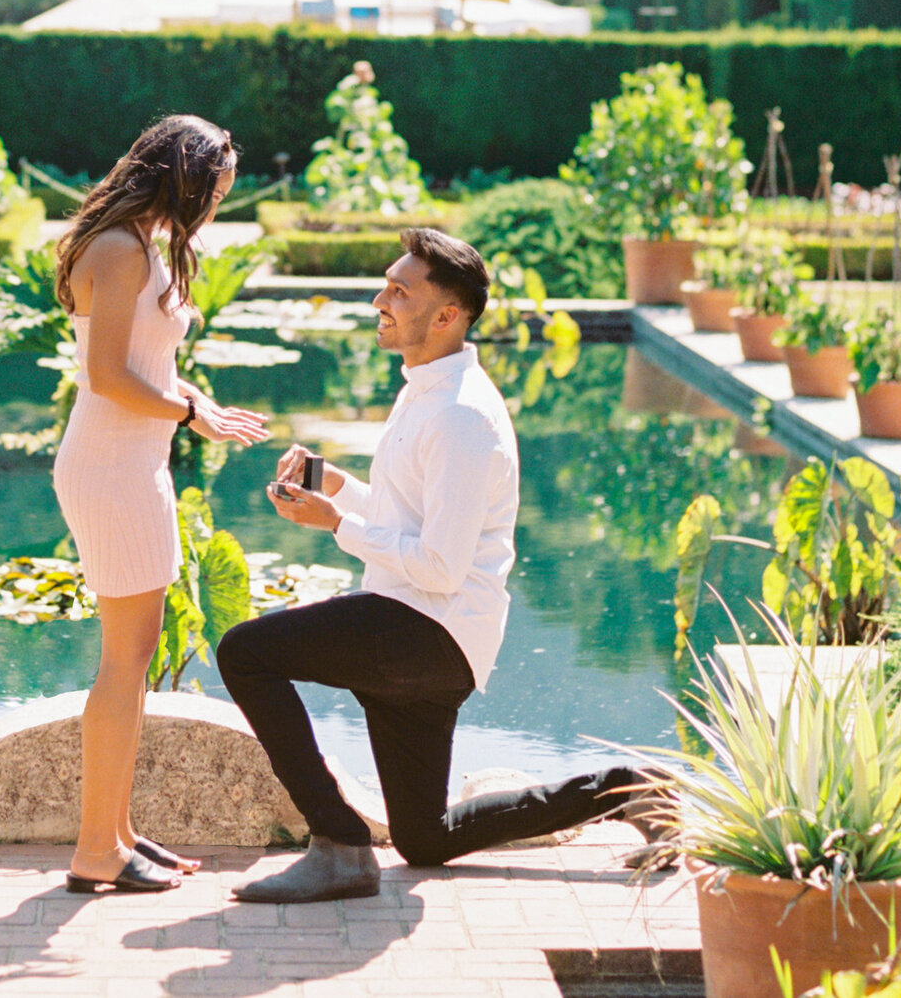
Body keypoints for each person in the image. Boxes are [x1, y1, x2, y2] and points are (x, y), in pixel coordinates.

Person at [217, 227, 655, 903]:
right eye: (386, 284)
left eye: (399, 290)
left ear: (448, 315)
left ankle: (337, 844)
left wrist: (336, 523)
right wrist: (334, 485)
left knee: (246, 652)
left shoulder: (460, 416)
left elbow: (441, 567)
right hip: (424, 631)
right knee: (424, 837)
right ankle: (627, 789)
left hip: (428, 628)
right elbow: (411, 527)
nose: (379, 299)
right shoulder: (426, 389)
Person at [52, 114, 270, 895]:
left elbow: (149, 358)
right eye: (216, 191)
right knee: (123, 663)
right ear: (186, 178)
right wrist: (185, 414)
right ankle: (94, 849)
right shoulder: (116, 250)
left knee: (134, 659)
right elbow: (107, 375)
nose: (216, 207)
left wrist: (194, 399)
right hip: (112, 467)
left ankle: (115, 831)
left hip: (132, 463)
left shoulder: (140, 246)